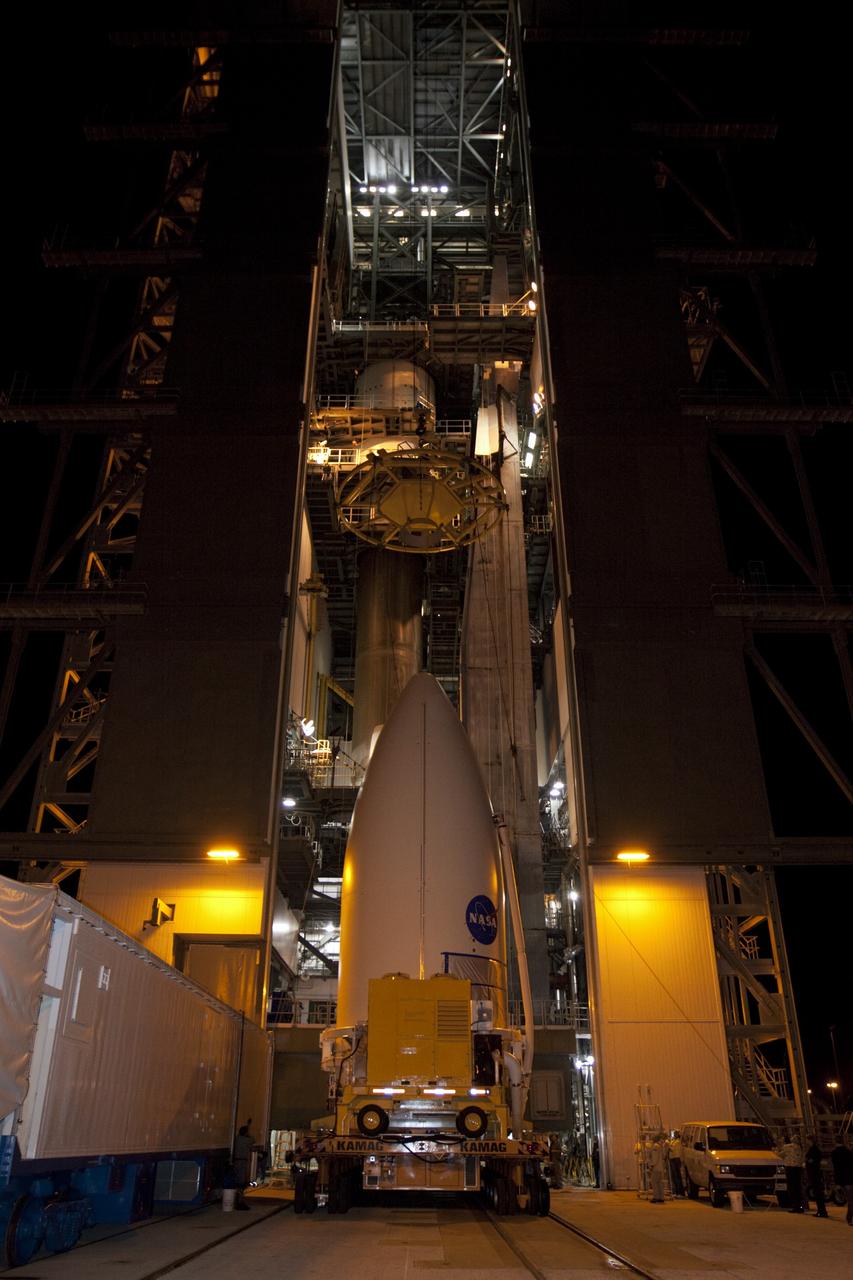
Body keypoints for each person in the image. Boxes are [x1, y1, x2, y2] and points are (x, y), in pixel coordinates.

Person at [232, 1120, 256, 1209]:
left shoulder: (237, 1139)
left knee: (237, 1181)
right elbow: (254, 1140)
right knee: (241, 1183)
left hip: (236, 1161)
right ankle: (240, 1201)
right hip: (242, 1162)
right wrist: (249, 1128)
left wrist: (247, 1126)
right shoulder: (247, 1140)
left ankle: (237, 1200)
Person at [778, 1131, 804, 1213]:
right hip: (798, 1168)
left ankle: (795, 1206)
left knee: (791, 1187)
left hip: (790, 1168)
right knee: (797, 1187)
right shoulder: (800, 1147)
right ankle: (799, 1206)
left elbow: (779, 1155)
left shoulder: (788, 1146)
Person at [830, 1134, 853, 1226]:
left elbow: (836, 1169)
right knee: (851, 1200)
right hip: (849, 1178)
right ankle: (849, 1218)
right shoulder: (848, 1152)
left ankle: (849, 1218)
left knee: (849, 1200)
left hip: (842, 1179)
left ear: (835, 1141)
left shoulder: (834, 1153)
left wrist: (837, 1182)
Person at [805, 1136, 828, 1218]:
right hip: (814, 1173)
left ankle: (822, 1211)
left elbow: (813, 1160)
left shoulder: (814, 1149)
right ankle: (821, 1210)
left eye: (807, 1140)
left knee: (818, 1193)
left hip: (815, 1173)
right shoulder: (813, 1149)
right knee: (817, 1192)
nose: (806, 1142)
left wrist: (808, 1160)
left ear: (810, 1140)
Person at [666, 1130, 685, 1197]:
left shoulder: (678, 1142)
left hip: (676, 1159)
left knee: (677, 1176)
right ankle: (676, 1192)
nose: (674, 1134)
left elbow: (672, 1149)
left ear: (678, 1134)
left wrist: (668, 1145)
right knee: (674, 1176)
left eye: (675, 1133)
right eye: (674, 1133)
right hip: (672, 1158)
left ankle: (680, 1192)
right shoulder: (673, 1141)